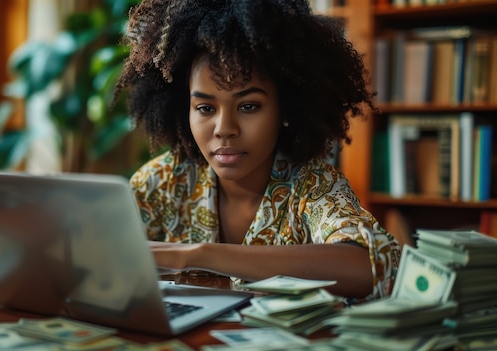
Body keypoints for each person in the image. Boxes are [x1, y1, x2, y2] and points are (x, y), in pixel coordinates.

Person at [114, 0, 401, 301]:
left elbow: (370, 266)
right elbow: (93, 259)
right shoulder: (162, 180)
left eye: (248, 106)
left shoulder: (312, 186)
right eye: (205, 107)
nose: (225, 128)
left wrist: (197, 254)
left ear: (286, 109)